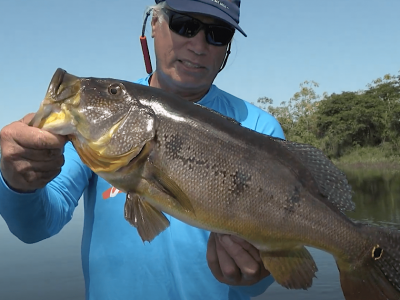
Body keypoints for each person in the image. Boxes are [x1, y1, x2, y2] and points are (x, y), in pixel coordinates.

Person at [0, 0, 285, 299]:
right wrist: (18, 185)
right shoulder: (102, 124)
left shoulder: (259, 132)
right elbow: (35, 227)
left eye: (218, 33)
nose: (199, 45)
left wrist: (255, 274)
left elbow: (269, 275)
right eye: (184, 25)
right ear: (154, 24)